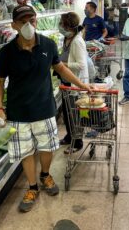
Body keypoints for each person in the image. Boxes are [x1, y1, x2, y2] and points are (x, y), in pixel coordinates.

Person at [0, 5, 92, 213]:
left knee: (48, 148)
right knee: (26, 152)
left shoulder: (47, 44)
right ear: (14, 25)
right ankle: (32, 187)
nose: (29, 25)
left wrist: (82, 85)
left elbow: (61, 68)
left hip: (45, 109)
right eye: (23, 22)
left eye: (32, 20)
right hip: (18, 113)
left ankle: (45, 174)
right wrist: (0, 108)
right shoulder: (7, 52)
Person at [56, 12, 89, 154]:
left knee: (75, 114)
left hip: (75, 83)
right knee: (67, 113)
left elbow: (81, 65)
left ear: (68, 26)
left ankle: (77, 142)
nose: (60, 26)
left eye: (62, 24)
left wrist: (63, 64)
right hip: (66, 82)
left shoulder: (77, 41)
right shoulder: (67, 38)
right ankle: (69, 137)